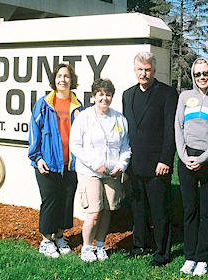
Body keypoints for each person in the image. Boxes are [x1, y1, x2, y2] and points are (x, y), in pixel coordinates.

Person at [122, 51, 178, 266]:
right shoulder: (128, 95)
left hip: (157, 164)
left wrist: (165, 159)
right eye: (140, 69)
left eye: (147, 69)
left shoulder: (166, 93)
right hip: (134, 164)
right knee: (138, 208)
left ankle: (162, 251)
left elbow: (170, 131)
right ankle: (139, 246)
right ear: (134, 70)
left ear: (154, 70)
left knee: (159, 211)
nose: (143, 73)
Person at [175, 57, 208, 276]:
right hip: (187, 158)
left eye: (205, 73)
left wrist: (205, 158)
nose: (202, 78)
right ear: (193, 76)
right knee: (190, 210)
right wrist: (184, 155)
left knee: (206, 211)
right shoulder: (185, 97)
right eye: (197, 74)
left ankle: (202, 258)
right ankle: (190, 256)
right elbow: (178, 127)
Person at [69, 78, 131, 262]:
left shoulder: (119, 118)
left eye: (108, 94)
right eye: (100, 94)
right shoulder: (84, 118)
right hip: (90, 172)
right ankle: (87, 247)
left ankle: (100, 245)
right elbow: (75, 145)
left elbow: (125, 146)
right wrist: (96, 164)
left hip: (112, 173)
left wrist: (121, 165)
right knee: (94, 211)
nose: (104, 98)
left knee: (107, 210)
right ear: (94, 96)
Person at [28, 63, 83, 258]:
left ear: (71, 80)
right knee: (50, 201)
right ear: (54, 80)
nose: (63, 79)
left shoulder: (78, 107)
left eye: (66, 76)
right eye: (59, 76)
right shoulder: (43, 104)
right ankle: (46, 240)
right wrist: (37, 158)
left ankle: (60, 236)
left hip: (70, 165)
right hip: (48, 163)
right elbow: (34, 133)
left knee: (66, 201)